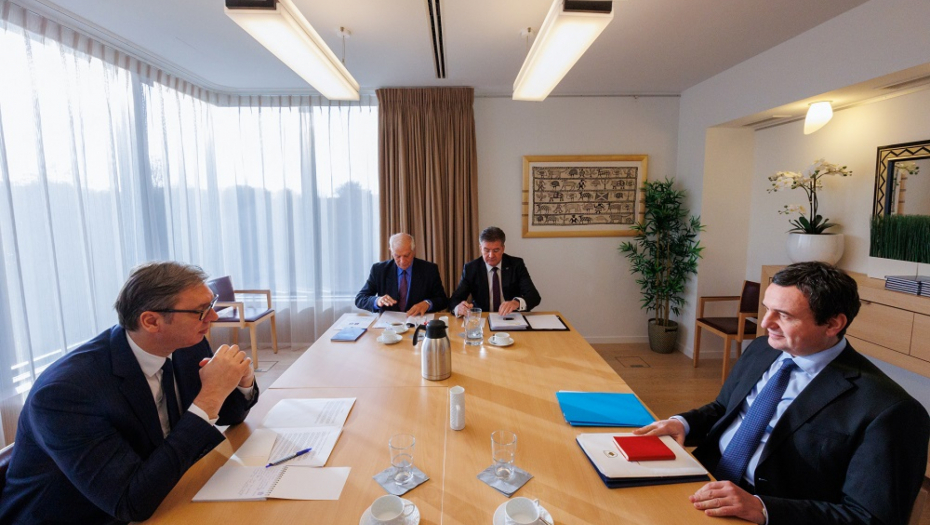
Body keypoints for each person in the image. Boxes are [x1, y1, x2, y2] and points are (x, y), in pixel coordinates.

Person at [635, 262, 929, 525]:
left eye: (784, 315)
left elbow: (870, 517)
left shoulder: (891, 410)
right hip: (702, 478)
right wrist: (683, 423)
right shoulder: (763, 348)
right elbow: (724, 408)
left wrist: (763, 508)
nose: (765, 323)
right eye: (767, 309)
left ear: (833, 324)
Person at [0, 262, 259, 524]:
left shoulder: (185, 343)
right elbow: (129, 503)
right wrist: (210, 396)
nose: (213, 317)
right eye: (201, 311)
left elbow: (228, 415)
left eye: (211, 304)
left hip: (163, 491)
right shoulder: (64, 394)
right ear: (151, 321)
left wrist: (241, 381)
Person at [449, 226, 541, 316]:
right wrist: (458, 308)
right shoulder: (471, 268)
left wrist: (516, 303)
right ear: (481, 248)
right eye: (486, 250)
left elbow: (534, 296)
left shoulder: (516, 265)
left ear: (503, 249)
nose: (491, 255)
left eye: (496, 250)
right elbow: (455, 299)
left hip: (511, 318)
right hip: (483, 318)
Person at [355, 233, 448, 316]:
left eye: (406, 255)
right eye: (397, 256)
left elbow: (443, 300)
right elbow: (360, 299)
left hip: (417, 323)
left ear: (413, 251)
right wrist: (377, 301)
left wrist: (427, 304)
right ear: (391, 252)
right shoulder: (379, 270)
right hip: (388, 325)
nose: (402, 261)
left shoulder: (429, 270)